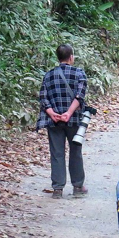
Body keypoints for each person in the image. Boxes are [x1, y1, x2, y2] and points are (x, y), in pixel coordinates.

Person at [37, 43, 88, 198]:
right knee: (75, 151)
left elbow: (43, 98)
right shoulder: (79, 73)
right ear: (71, 57)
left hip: (54, 121)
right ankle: (78, 186)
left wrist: (52, 114)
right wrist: (68, 113)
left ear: (58, 58)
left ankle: (58, 188)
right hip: (73, 120)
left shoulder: (48, 75)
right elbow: (80, 96)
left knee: (57, 153)